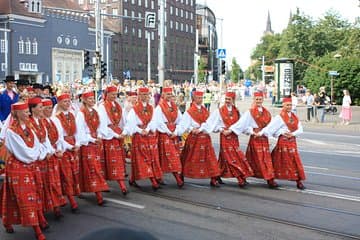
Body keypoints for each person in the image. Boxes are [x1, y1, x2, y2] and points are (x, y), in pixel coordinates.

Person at [0, 102, 48, 240]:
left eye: (28, 111)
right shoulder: (11, 131)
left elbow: (37, 144)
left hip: (31, 165)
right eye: (25, 112)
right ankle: (37, 229)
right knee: (26, 197)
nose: (28, 114)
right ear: (17, 113)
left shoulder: (29, 127)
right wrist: (35, 154)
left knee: (35, 193)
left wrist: (37, 153)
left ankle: (8, 221)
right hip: (18, 167)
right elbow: (24, 153)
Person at [202, 92, 253, 188]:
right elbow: (213, 123)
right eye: (226, 99)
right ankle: (240, 178)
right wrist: (221, 129)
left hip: (233, 137)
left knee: (227, 157)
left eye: (229, 99)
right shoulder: (219, 111)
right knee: (231, 158)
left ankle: (215, 177)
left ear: (233, 100)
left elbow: (241, 124)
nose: (227, 101)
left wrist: (248, 131)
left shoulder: (237, 111)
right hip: (225, 136)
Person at [230, 91, 278, 188]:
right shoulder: (250, 112)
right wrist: (252, 132)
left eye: (260, 99)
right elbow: (243, 124)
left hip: (263, 138)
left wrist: (274, 133)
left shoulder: (267, 113)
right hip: (255, 138)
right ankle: (244, 176)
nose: (258, 101)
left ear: (263, 100)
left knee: (266, 159)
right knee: (254, 159)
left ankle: (270, 179)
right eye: (257, 99)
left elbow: (272, 126)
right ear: (254, 100)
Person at [261, 97, 306, 190]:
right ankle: (271, 179)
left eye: (290, 105)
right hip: (283, 142)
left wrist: (292, 134)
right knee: (277, 160)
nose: (289, 107)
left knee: (294, 161)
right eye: (287, 105)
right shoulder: (279, 117)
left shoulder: (294, 117)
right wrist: (280, 133)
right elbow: (270, 129)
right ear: (283, 105)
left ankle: (299, 180)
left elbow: (300, 129)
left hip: (292, 142)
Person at [178, 91, 221, 187]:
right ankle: (181, 175)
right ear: (194, 98)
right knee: (188, 157)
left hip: (205, 137)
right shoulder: (190, 111)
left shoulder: (205, 110)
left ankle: (214, 177)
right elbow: (184, 123)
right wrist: (190, 129)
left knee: (210, 158)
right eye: (198, 98)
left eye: (201, 98)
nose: (200, 100)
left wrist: (203, 129)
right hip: (194, 138)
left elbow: (209, 123)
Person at [126, 87, 163, 190]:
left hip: (149, 135)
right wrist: (139, 130)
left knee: (152, 158)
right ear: (139, 96)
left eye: (146, 95)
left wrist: (148, 128)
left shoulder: (151, 108)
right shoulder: (134, 109)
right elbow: (130, 122)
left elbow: (154, 120)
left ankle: (132, 179)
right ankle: (153, 181)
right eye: (143, 95)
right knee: (143, 158)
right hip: (139, 136)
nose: (145, 97)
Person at [76, 91, 109, 204]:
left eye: (93, 99)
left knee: (95, 167)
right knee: (93, 168)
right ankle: (99, 195)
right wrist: (91, 139)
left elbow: (100, 125)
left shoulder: (95, 112)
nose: (92, 101)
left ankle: (81, 188)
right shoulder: (81, 114)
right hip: (87, 144)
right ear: (84, 100)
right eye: (89, 99)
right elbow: (80, 131)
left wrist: (99, 135)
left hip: (95, 143)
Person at [52, 93, 81, 213]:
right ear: (59, 103)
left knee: (74, 173)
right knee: (66, 174)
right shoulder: (56, 118)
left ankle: (71, 196)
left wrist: (77, 143)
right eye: (65, 102)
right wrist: (69, 146)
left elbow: (77, 131)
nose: (67, 104)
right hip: (64, 148)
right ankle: (70, 200)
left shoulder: (72, 115)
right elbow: (59, 136)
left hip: (73, 146)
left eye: (69, 101)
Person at [98, 86, 128, 195]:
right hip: (109, 137)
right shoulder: (102, 107)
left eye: (115, 94)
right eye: (112, 94)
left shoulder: (118, 106)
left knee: (118, 161)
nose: (114, 96)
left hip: (117, 136)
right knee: (109, 162)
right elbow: (102, 124)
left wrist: (123, 131)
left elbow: (123, 121)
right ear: (107, 95)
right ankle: (118, 185)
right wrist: (114, 134)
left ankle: (120, 184)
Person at [41, 99, 67, 219]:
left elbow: (60, 137)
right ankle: (48, 206)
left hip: (55, 153)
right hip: (46, 155)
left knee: (55, 181)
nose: (49, 110)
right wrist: (50, 151)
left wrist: (61, 149)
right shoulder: (39, 122)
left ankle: (57, 206)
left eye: (51, 108)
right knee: (47, 182)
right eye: (46, 108)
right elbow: (42, 140)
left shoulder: (55, 120)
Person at [154, 87, 184, 188]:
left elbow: (180, 120)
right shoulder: (159, 107)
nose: (169, 96)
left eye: (171, 94)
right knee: (172, 156)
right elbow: (159, 122)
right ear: (163, 95)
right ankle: (178, 178)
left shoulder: (175, 107)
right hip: (164, 134)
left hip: (173, 134)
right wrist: (168, 131)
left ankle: (159, 176)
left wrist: (176, 131)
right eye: (167, 94)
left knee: (172, 156)